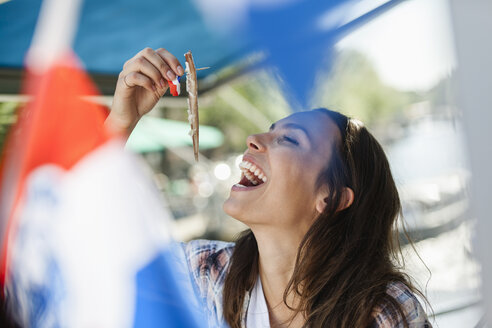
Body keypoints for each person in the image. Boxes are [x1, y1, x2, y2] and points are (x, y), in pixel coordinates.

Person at [106, 48, 432, 328]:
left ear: (331, 198)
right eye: (269, 131)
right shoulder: (207, 274)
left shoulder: (381, 313)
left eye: (288, 139)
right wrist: (121, 121)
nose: (253, 139)